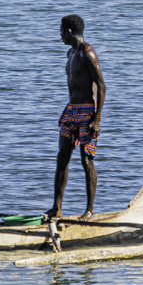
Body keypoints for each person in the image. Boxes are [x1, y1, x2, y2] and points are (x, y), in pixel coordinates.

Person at [45, 14, 106, 222]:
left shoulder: (88, 53)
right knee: (62, 157)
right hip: (71, 110)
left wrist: (96, 119)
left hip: (88, 112)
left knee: (87, 160)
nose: (60, 35)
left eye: (61, 31)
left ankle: (89, 211)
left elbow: (102, 86)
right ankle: (56, 208)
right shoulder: (70, 53)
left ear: (69, 32)